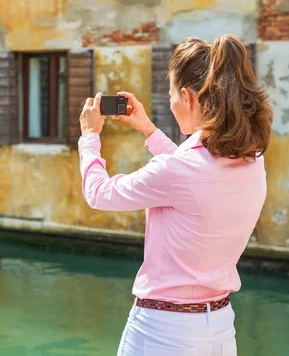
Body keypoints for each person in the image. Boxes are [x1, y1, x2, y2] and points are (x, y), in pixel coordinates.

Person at [78, 34, 273, 356]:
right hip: (220, 327)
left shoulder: (181, 170)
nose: (170, 100)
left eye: (170, 91)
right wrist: (149, 131)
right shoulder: (253, 161)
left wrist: (89, 137)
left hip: (163, 330)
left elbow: (99, 194)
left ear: (186, 96)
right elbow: (191, 177)